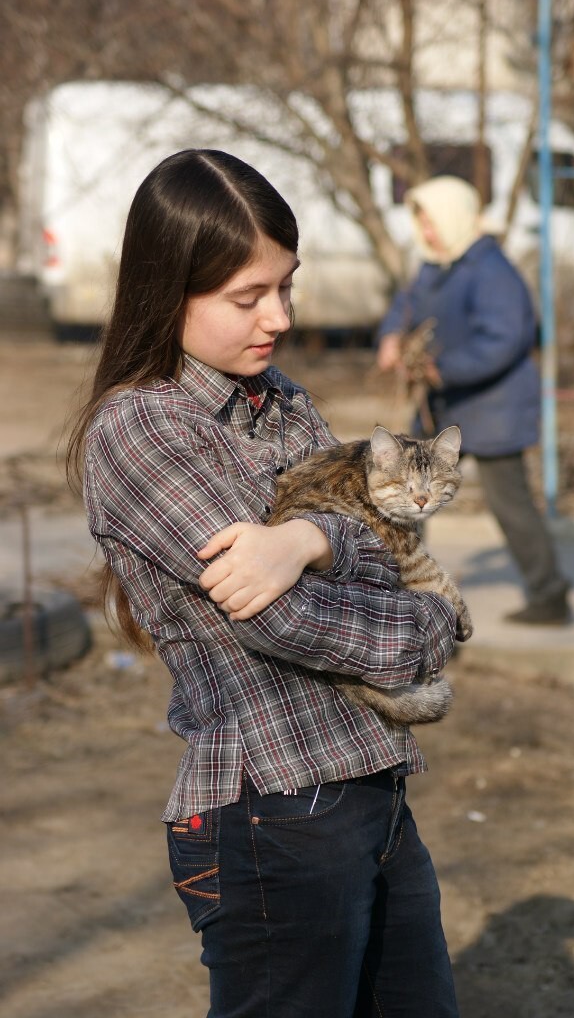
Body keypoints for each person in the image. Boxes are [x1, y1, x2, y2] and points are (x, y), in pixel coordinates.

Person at [67, 149, 462, 1017]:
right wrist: (432, 624)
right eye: (247, 298)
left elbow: (382, 540)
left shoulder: (280, 399)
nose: (277, 316)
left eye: (286, 285)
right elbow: (283, 626)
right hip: (273, 813)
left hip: (372, 786)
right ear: (167, 290)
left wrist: (308, 541)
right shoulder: (141, 429)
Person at [377, 175, 571, 625]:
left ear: (454, 218)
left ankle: (550, 594)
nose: (425, 232)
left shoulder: (491, 270)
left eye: (431, 222)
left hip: (493, 406)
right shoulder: (435, 263)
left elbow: (505, 340)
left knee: (509, 503)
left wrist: (441, 369)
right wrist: (390, 336)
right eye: (420, 223)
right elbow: (405, 306)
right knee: (410, 496)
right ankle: (414, 597)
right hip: (443, 404)